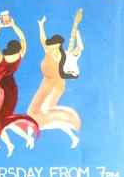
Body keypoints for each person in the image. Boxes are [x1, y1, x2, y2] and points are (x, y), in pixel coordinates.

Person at [0, 15, 40, 157]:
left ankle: (11, 144)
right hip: (12, 89)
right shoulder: (20, 55)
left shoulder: (0, 58)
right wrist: (13, 25)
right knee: (6, 118)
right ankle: (25, 139)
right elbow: (23, 39)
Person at [27, 14, 83, 148]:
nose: (52, 47)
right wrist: (41, 26)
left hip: (56, 85)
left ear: (59, 45)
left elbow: (79, 48)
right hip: (45, 83)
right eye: (51, 45)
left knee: (44, 113)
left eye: (54, 45)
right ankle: (28, 138)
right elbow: (42, 40)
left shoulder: (65, 55)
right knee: (32, 111)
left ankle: (72, 136)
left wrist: (78, 31)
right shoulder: (49, 51)